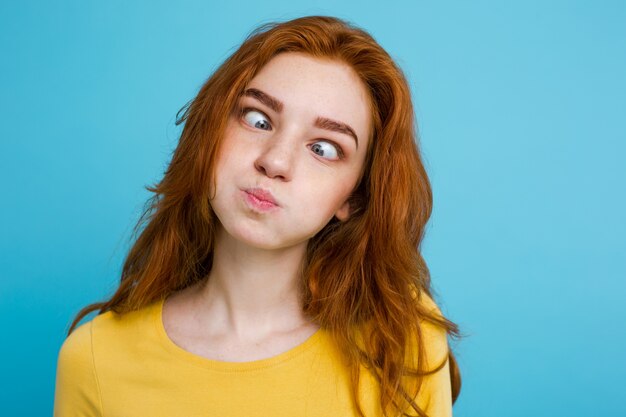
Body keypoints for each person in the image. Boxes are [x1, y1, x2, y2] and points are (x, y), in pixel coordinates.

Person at [53, 15, 461, 417]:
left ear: (353, 198)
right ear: (209, 132)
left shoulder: (401, 343)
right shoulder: (96, 359)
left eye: (323, 148)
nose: (275, 161)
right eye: (258, 119)